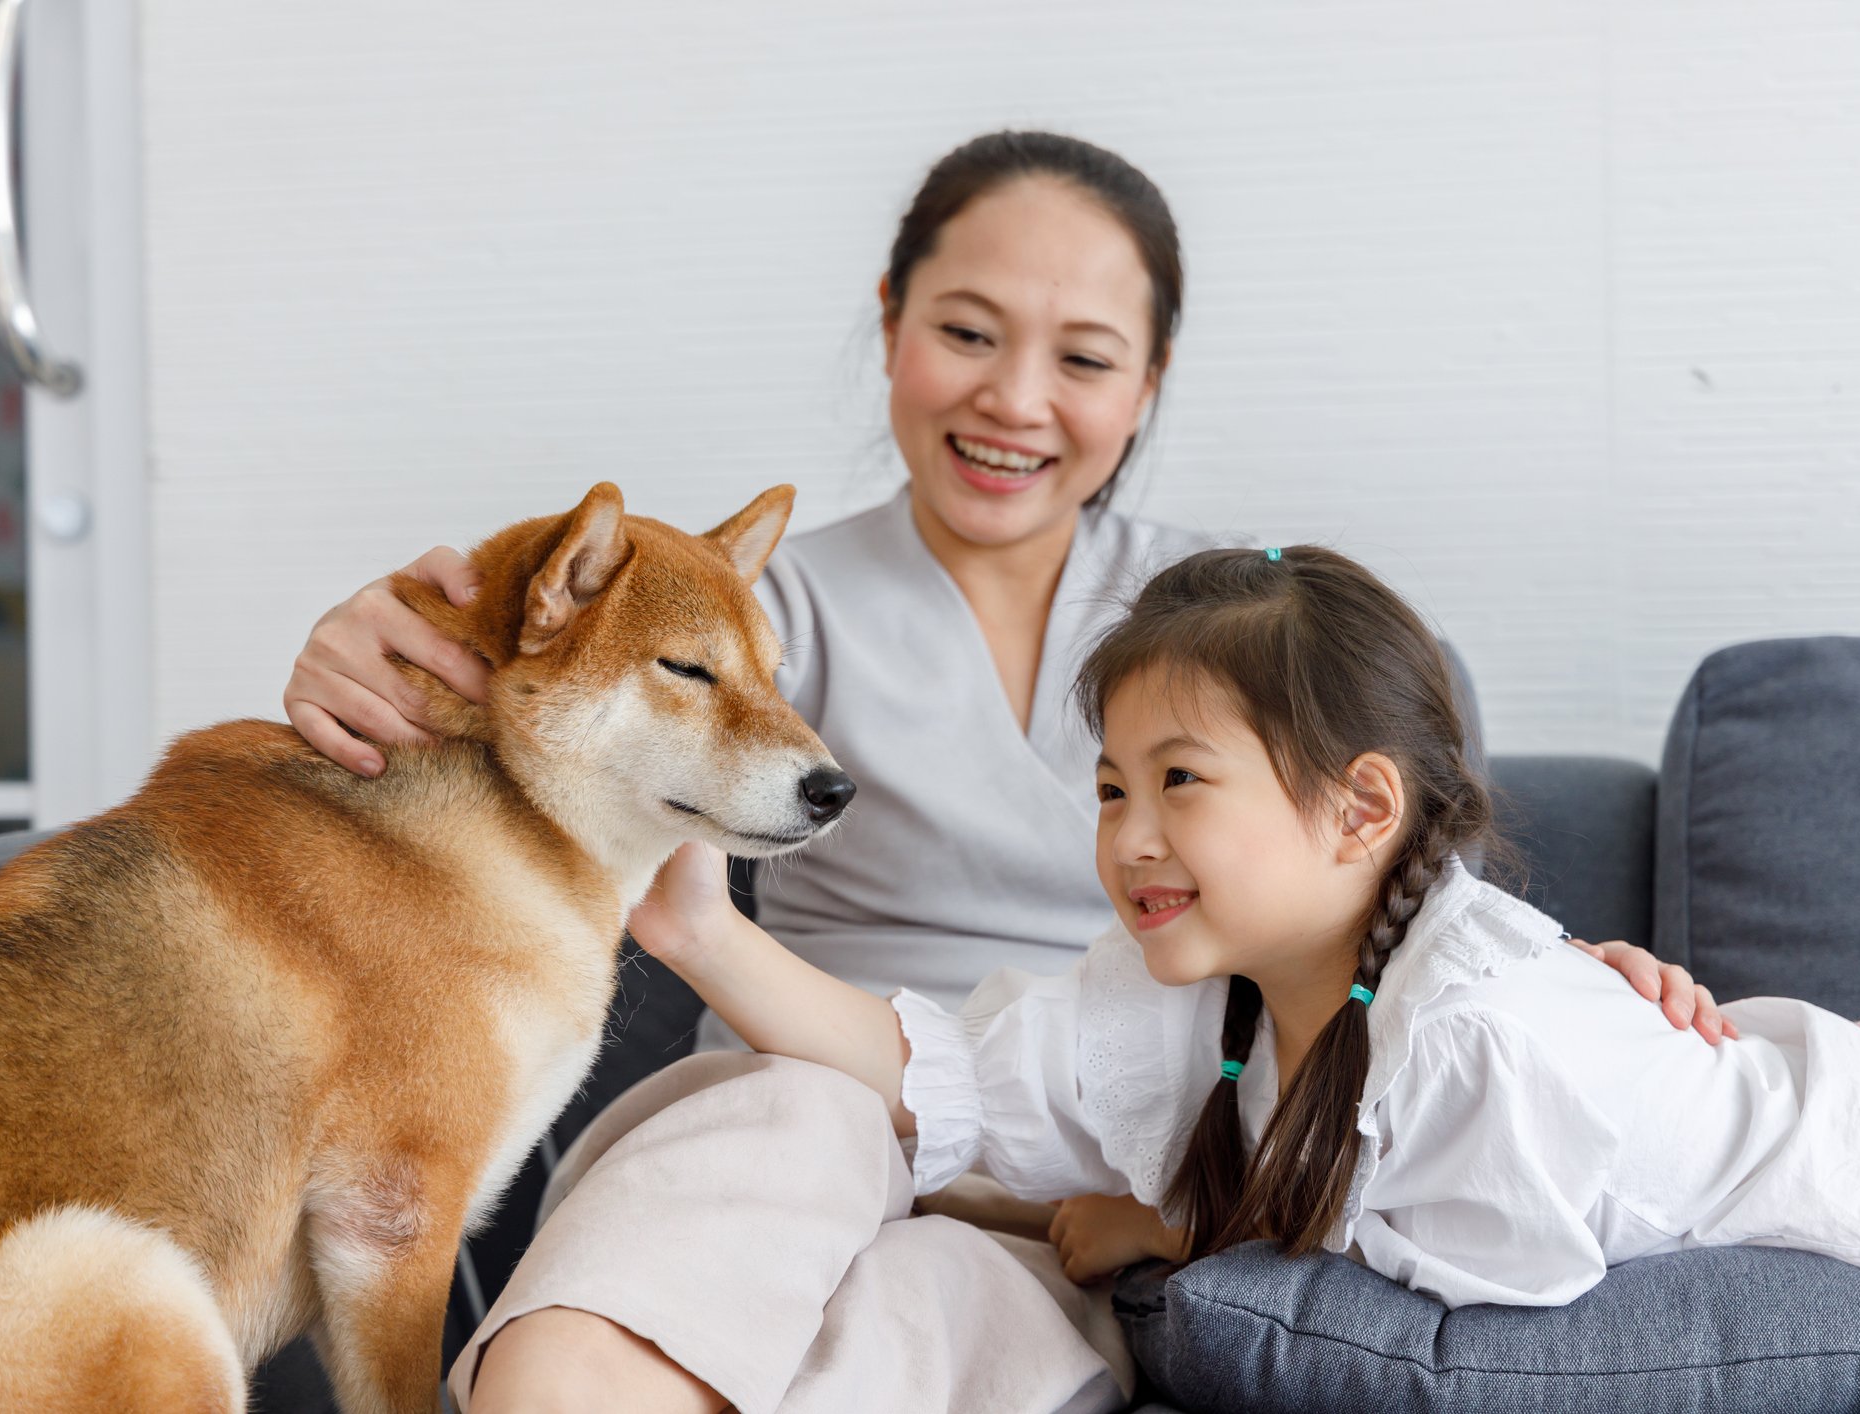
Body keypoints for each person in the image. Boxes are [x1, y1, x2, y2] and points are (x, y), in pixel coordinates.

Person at [281, 131, 1730, 1403]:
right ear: (889, 322)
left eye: (1085, 358)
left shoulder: (1247, 635)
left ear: (1148, 382)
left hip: (1082, 1172)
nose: (1014, 400)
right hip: (809, 1095)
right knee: (759, 1163)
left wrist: (1566, 986)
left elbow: (1402, 939)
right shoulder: (748, 611)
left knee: (945, 1309)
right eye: (966, 332)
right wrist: (380, 646)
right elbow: (533, 672)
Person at [489, 541, 1860, 1411]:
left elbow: (1489, 1327)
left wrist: (1162, 1238)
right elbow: (926, 1073)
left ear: (1359, 811)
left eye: (1182, 783)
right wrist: (698, 925)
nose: (1129, 835)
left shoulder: (1472, 1041)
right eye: (1109, 786)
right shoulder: (1195, 995)